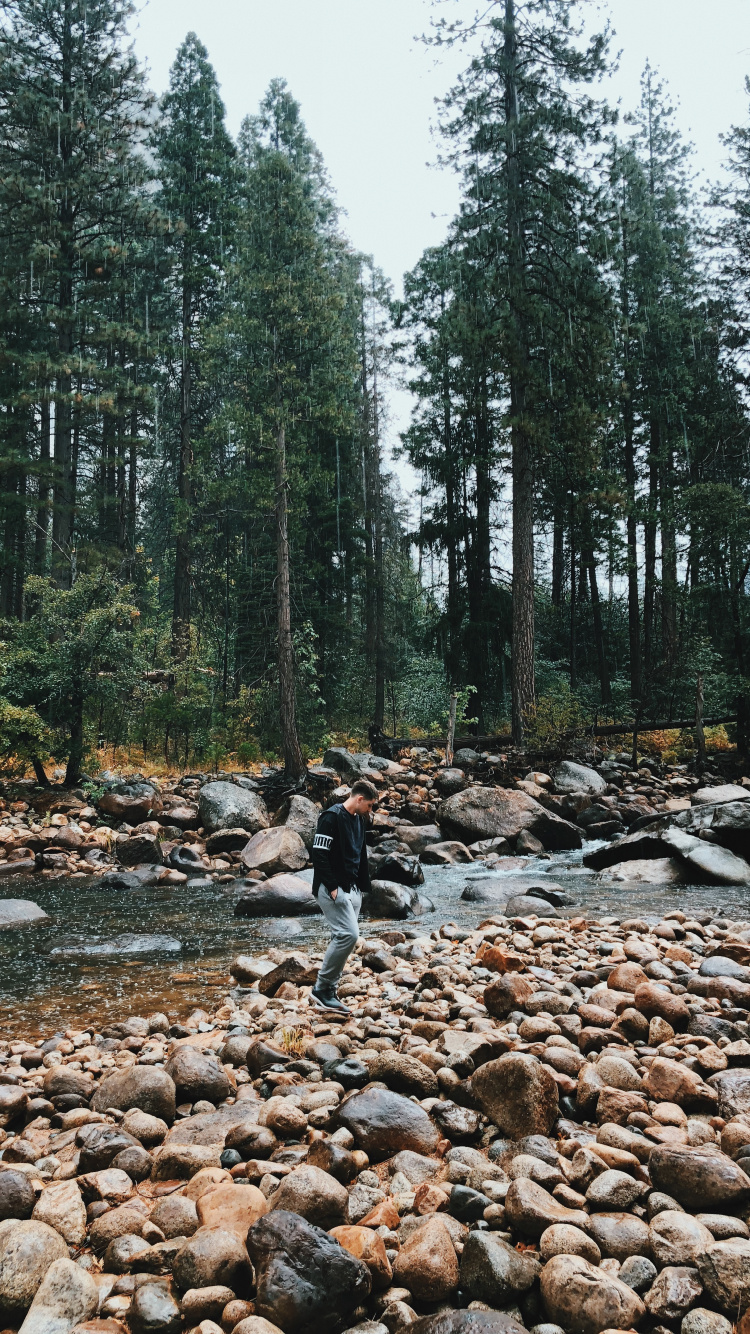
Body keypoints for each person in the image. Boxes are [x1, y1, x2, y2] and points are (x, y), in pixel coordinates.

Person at [310, 778, 378, 1015]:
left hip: (351, 888)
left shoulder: (358, 820)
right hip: (331, 888)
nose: (370, 811)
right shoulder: (330, 817)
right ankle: (322, 989)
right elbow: (318, 854)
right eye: (369, 805)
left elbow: (360, 855)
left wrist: (360, 888)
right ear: (359, 799)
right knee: (348, 935)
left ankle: (330, 992)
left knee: (343, 938)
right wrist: (331, 886)